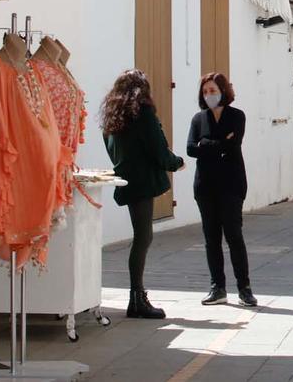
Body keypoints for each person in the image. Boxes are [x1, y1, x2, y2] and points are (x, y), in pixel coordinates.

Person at [101, 69, 184, 319]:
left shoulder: (113, 119)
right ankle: (137, 298)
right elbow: (159, 148)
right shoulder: (143, 114)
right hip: (143, 182)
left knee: (141, 236)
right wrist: (176, 162)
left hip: (127, 180)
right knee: (143, 237)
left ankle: (137, 297)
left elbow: (113, 149)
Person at [187, 73, 255, 308]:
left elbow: (233, 144)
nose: (209, 95)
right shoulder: (199, 119)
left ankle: (244, 288)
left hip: (231, 184)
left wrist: (205, 144)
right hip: (205, 186)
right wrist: (216, 145)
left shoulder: (237, 116)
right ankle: (218, 287)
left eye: (213, 90)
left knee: (234, 235)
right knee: (211, 238)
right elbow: (190, 149)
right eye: (205, 91)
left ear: (223, 91)